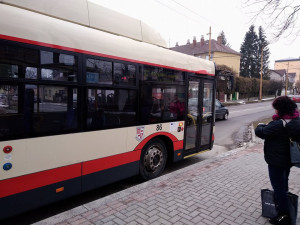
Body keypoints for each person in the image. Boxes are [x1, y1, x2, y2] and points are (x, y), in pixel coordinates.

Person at [255, 96, 300, 225]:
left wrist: (260, 125)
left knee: (278, 188)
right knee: (283, 183)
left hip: (276, 161)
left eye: (275, 109)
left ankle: (284, 216)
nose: (274, 111)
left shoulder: (279, 124)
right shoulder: (296, 120)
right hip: (289, 160)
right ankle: (285, 206)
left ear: (280, 109)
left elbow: (261, 132)